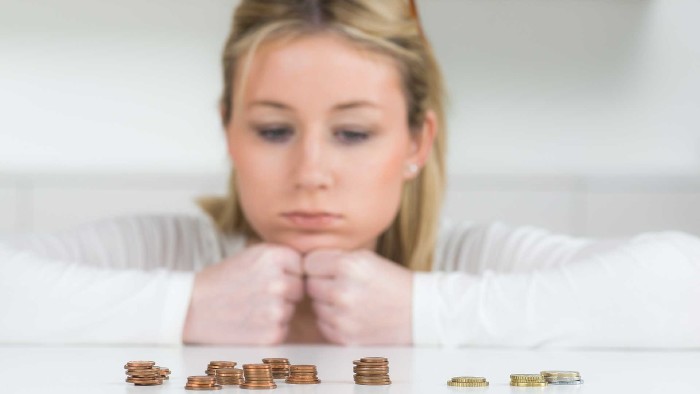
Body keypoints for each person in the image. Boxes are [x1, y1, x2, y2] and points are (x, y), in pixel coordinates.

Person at [1, 0, 699, 347]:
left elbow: (683, 284)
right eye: (274, 130)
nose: (311, 173)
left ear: (416, 142)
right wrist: (184, 308)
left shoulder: (468, 263)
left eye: (354, 133)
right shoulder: (169, 254)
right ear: (228, 133)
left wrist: (423, 313)